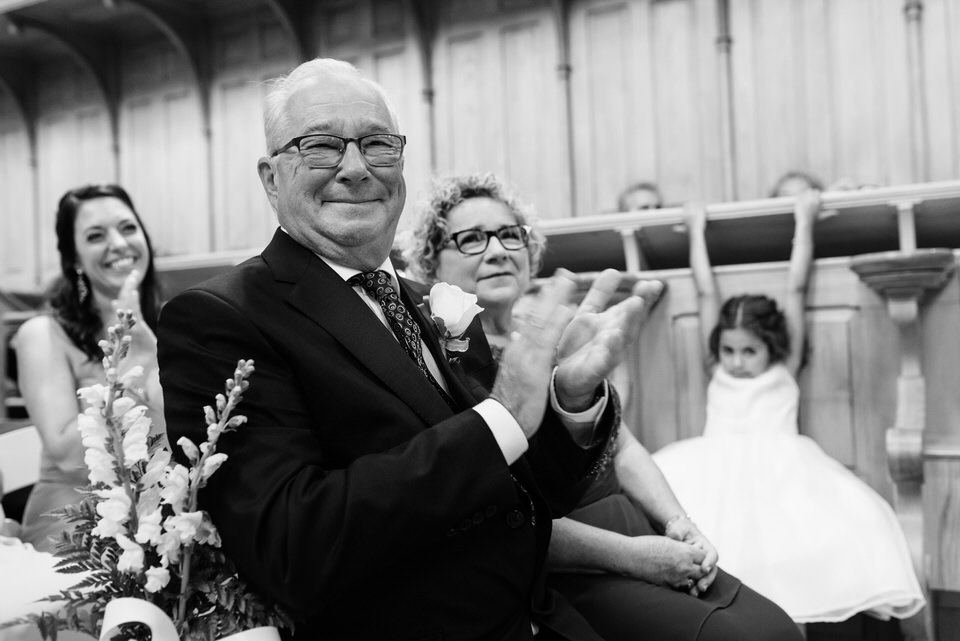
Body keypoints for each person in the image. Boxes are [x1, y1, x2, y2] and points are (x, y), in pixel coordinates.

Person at [156, 58, 655, 641]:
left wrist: (566, 400)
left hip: (540, 617)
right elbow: (292, 547)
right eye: (321, 146)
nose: (356, 168)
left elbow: (527, 491)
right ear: (271, 178)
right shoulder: (222, 317)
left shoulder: (435, 302)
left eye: (377, 145)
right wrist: (503, 414)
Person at [403, 172, 804, 641]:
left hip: (639, 529)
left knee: (779, 627)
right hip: (570, 561)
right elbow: (500, 517)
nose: (497, 250)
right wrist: (639, 558)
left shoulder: (565, 334)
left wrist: (679, 525)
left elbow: (625, 446)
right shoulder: (439, 364)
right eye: (471, 239)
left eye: (509, 234)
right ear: (432, 263)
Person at [651, 192, 927, 630]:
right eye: (729, 350)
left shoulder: (785, 366)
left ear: (771, 347)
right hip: (713, 470)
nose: (737, 361)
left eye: (749, 351)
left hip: (783, 474)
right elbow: (706, 292)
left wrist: (804, 222)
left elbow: (797, 286)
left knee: (791, 570)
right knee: (716, 569)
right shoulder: (715, 368)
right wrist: (696, 230)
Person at [12, 184, 164, 552]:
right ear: (75, 258)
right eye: (96, 236)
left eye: (128, 228)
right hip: (74, 525)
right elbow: (66, 454)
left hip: (162, 515)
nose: (118, 243)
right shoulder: (42, 335)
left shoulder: (176, 328)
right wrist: (140, 362)